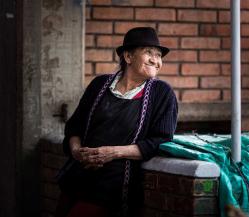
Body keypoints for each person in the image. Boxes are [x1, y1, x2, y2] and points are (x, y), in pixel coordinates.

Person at [55, 27, 178, 217]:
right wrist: (78, 152)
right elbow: (74, 126)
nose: (156, 60)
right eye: (148, 53)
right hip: (78, 176)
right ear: (128, 57)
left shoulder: (162, 93)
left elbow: (160, 141)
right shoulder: (99, 85)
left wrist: (111, 153)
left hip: (115, 184)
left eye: (159, 55)